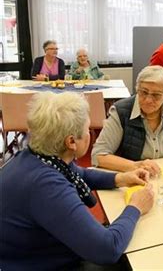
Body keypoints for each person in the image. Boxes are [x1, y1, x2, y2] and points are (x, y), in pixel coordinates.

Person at [0, 92, 154, 270]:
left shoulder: (37, 156)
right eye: (87, 130)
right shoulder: (46, 187)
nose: (90, 134)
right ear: (71, 141)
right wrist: (135, 207)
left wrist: (120, 178)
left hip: (35, 250)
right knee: (133, 259)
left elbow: (79, 173)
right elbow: (107, 249)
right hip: (42, 263)